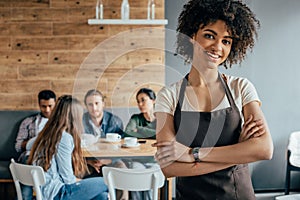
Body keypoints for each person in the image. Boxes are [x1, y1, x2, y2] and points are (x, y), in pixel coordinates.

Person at [153, 0, 274, 199]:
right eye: (209, 36)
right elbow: (169, 168)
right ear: (192, 36)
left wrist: (193, 153)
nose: (218, 46)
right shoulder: (169, 96)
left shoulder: (241, 88)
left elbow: (264, 149)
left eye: (226, 41)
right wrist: (239, 154)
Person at [27, 95, 108, 200]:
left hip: (45, 192)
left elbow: (29, 145)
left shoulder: (46, 134)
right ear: (75, 116)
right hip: (59, 193)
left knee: (102, 196)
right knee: (108, 181)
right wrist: (82, 182)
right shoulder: (63, 137)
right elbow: (68, 180)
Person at [82, 89, 128, 200]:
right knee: (75, 171)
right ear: (86, 106)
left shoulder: (115, 121)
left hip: (111, 161)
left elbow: (122, 148)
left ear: (103, 104)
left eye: (97, 103)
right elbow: (74, 146)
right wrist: (89, 161)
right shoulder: (80, 121)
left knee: (122, 169)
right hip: (87, 162)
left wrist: (108, 160)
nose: (94, 108)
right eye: (90, 104)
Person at [15, 89, 56, 200]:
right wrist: (35, 141)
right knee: (30, 164)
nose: (47, 110)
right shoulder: (28, 122)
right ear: (39, 105)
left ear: (55, 104)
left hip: (53, 157)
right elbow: (18, 146)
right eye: (43, 106)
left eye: (50, 106)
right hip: (31, 156)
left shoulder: (60, 123)